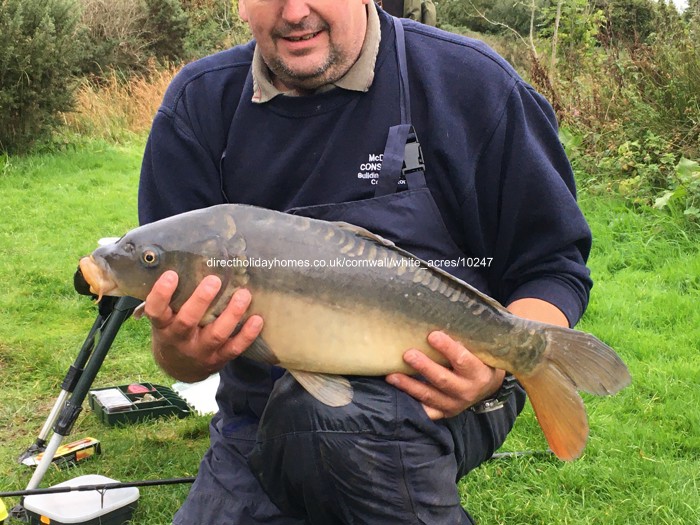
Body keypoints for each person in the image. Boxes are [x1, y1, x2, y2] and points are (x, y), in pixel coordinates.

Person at [138, 1, 592, 523]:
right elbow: (177, 355)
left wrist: (498, 371)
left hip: (439, 394)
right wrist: (180, 351)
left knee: (331, 422)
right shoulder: (199, 105)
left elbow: (553, 265)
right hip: (256, 419)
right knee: (302, 419)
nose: (294, 11)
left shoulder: (471, 82)